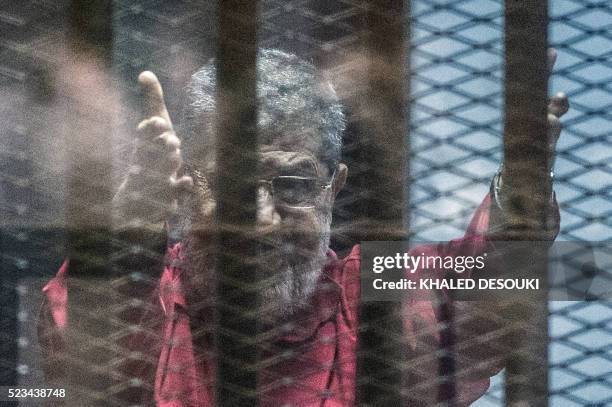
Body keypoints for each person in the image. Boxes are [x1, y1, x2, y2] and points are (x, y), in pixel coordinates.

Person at [38, 49, 569, 406]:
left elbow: (492, 287)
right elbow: (76, 355)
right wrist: (130, 238)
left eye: (293, 184)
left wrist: (518, 194)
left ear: (334, 188)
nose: (262, 224)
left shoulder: (367, 291)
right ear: (186, 183)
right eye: (234, 186)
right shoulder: (148, 288)